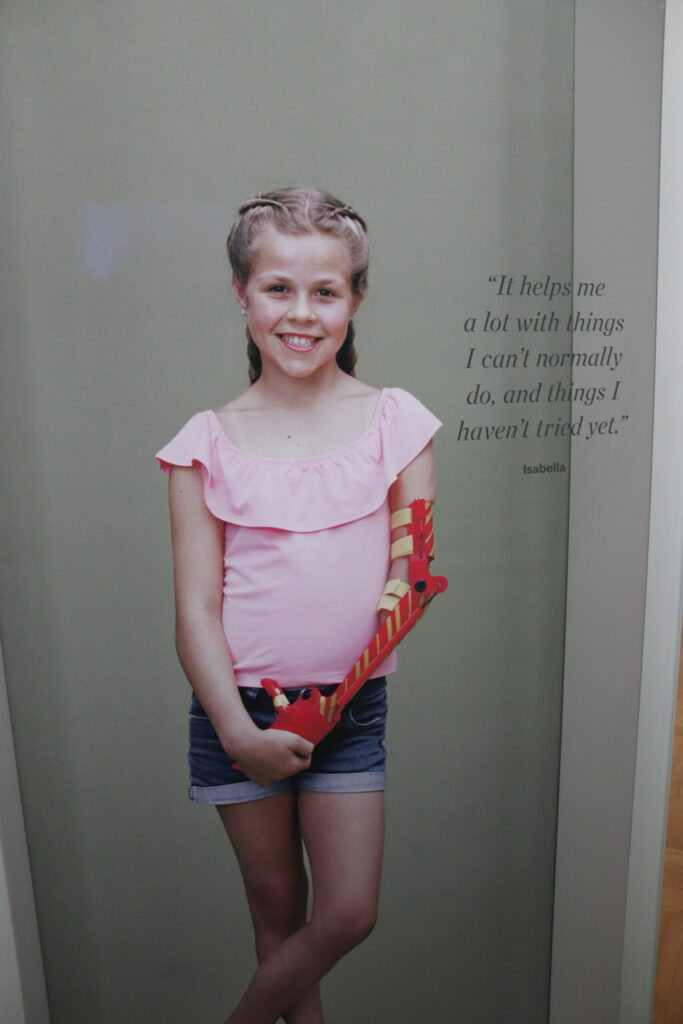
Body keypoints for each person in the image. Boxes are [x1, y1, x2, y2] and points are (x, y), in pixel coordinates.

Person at [156, 187, 442, 1024]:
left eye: (326, 291)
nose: (302, 313)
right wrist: (240, 734)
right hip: (234, 714)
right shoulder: (201, 445)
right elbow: (196, 612)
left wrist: (331, 708)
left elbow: (412, 577)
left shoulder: (398, 424)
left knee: (346, 912)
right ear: (241, 294)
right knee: (279, 919)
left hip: (345, 712)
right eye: (278, 288)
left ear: (355, 299)